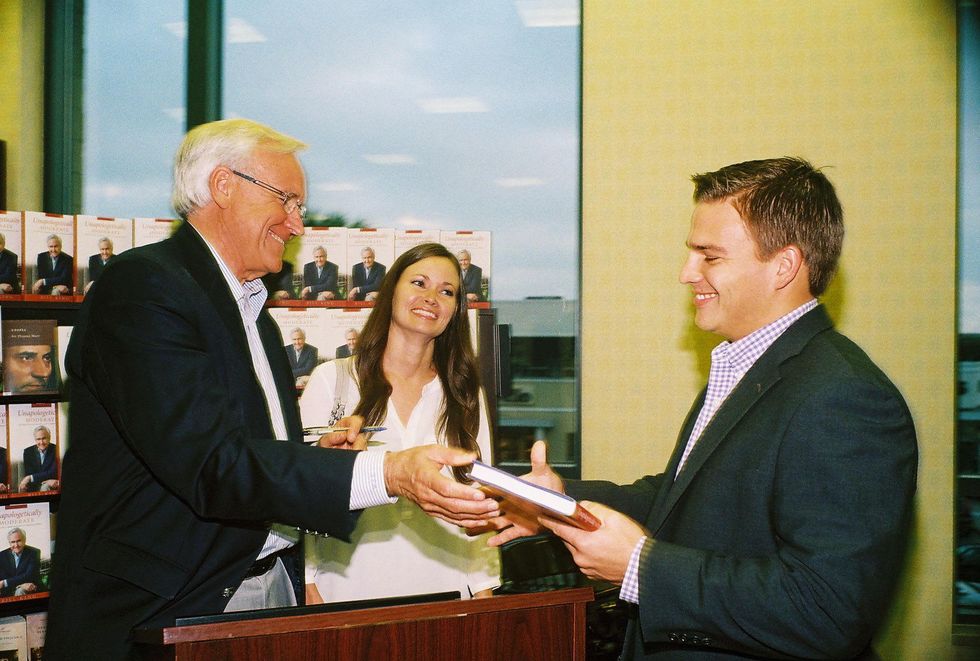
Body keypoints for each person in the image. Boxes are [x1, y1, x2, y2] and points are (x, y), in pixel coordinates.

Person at [45, 118, 497, 661]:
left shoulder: (256, 314)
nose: (295, 223)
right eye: (287, 200)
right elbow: (211, 465)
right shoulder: (145, 289)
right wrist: (391, 471)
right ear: (223, 186)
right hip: (166, 612)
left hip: (263, 593)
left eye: (299, 208)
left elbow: (244, 451)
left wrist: (316, 457)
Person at [490, 157, 918, 659]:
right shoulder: (746, 367)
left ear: (784, 266)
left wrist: (641, 569)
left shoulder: (845, 398)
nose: (685, 273)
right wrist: (558, 502)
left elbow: (826, 610)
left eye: (709, 256)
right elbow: (680, 504)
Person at [300, 242, 499, 603]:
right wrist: (307, 580)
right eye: (419, 283)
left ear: (456, 310)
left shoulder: (464, 393)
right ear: (391, 292)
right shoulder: (333, 380)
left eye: (447, 291)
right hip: (347, 590)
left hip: (447, 592)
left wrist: (484, 587)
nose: (431, 298)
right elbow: (297, 491)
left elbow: (479, 500)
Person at [0, 528, 41, 597]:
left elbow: (29, 575)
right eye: (13, 542)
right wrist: (19, 585)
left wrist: (4, 582)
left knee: (20, 591)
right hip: (7, 590)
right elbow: (2, 576)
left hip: (27, 588)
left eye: (18, 541)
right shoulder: (1, 555)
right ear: (9, 542)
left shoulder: (34, 552)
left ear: (24, 540)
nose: (16, 545)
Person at [19, 425, 59, 493]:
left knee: (45, 487)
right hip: (34, 484)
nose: (41, 442)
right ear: (35, 439)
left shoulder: (57, 450)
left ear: (49, 438)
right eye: (38, 439)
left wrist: (30, 478)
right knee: (22, 488)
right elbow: (29, 472)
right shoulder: (28, 452)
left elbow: (52, 472)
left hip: (50, 484)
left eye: (44, 438)